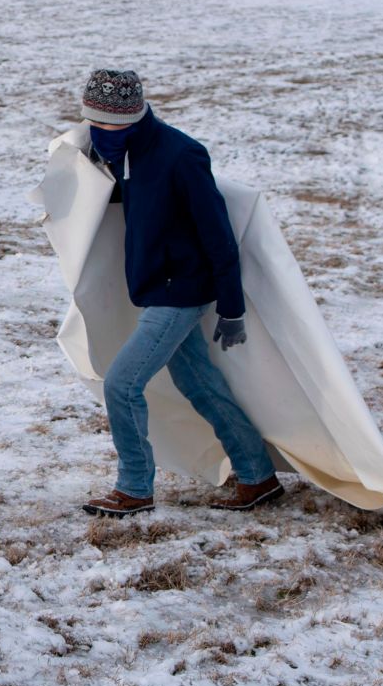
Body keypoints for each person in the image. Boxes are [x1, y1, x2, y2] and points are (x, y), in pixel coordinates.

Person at [74, 69, 285, 518]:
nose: (102, 132)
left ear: (135, 115)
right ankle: (258, 477)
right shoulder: (119, 153)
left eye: (111, 123)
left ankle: (134, 488)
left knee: (122, 383)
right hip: (154, 288)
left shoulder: (181, 155)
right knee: (200, 383)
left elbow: (219, 236)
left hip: (180, 291)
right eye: (94, 122)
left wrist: (231, 309)